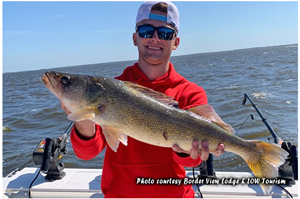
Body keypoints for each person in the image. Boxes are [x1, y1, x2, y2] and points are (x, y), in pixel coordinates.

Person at [61, 1, 225, 197]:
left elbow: (190, 161)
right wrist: (82, 117)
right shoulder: (110, 90)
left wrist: (192, 151)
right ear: (134, 38)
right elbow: (87, 154)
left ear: (176, 43)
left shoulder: (191, 92)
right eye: (146, 31)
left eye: (165, 33)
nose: (155, 38)